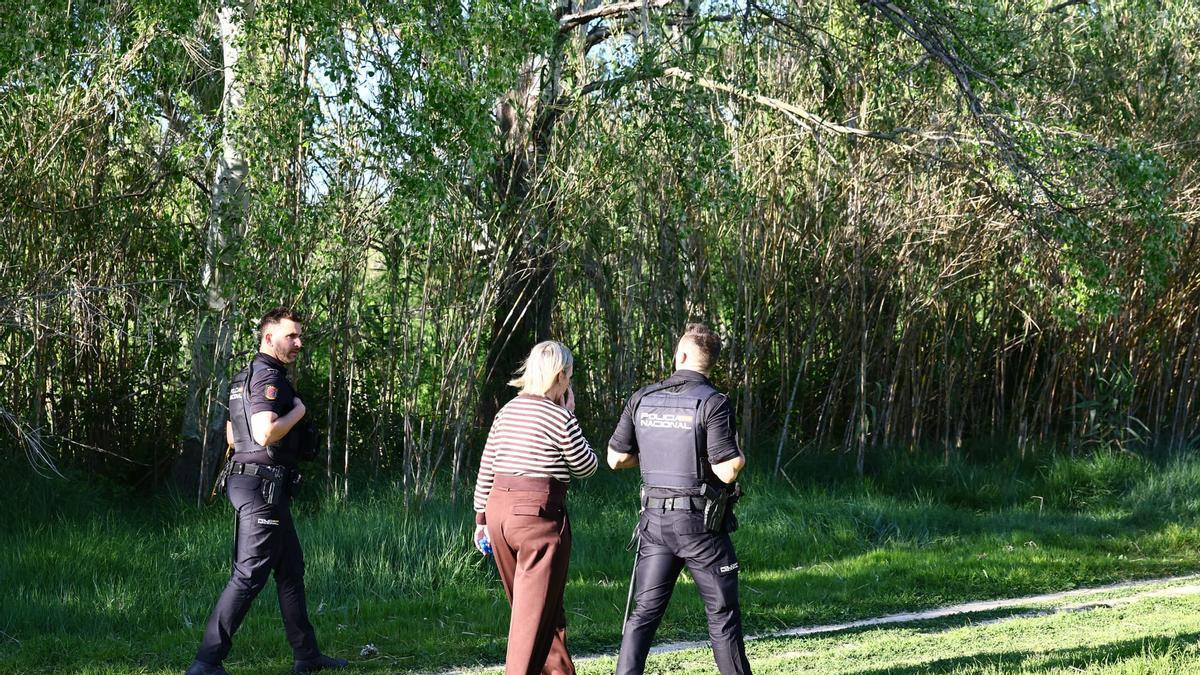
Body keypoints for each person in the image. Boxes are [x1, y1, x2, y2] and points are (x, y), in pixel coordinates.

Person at [185, 308, 346, 675]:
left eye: (300, 336)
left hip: (253, 482)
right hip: (262, 486)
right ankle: (207, 662)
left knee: (290, 569)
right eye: (292, 336)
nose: (299, 343)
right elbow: (264, 432)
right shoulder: (268, 378)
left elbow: (232, 435)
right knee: (249, 575)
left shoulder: (243, 378)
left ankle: (306, 656)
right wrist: (298, 414)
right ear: (268, 337)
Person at [608, 323, 751, 675]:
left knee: (643, 614)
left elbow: (615, 458)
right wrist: (739, 457)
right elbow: (728, 470)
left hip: (654, 522)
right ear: (709, 362)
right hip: (700, 526)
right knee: (722, 615)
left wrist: (657, 451)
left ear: (681, 355)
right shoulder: (713, 402)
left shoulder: (642, 397)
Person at [471, 340, 599, 675]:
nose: (569, 383)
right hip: (537, 518)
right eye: (569, 377)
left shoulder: (507, 412)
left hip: (498, 512)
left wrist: (481, 518)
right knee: (532, 618)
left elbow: (487, 466)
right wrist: (571, 417)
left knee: (540, 609)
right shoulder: (559, 417)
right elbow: (586, 467)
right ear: (559, 376)